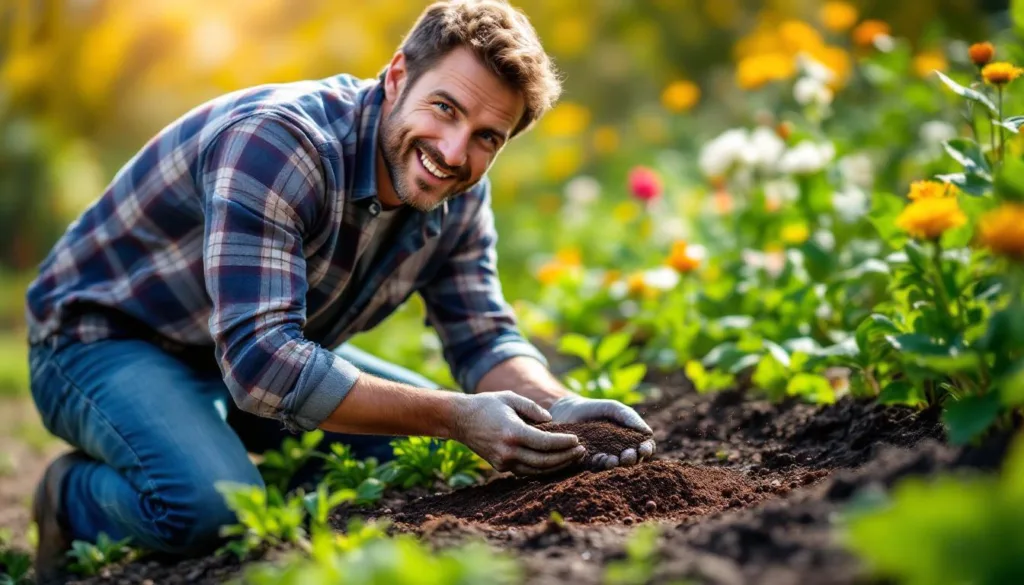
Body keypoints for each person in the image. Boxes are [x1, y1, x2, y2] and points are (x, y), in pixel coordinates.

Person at [24, 0, 655, 580]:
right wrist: (455, 415)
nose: (454, 151)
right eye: (446, 108)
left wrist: (557, 405)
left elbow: (483, 335)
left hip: (245, 354)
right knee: (211, 510)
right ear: (398, 76)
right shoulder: (278, 145)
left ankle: (220, 448)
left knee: (431, 464)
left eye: (487, 136)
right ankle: (71, 495)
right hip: (103, 339)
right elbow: (262, 364)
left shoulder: (459, 193)